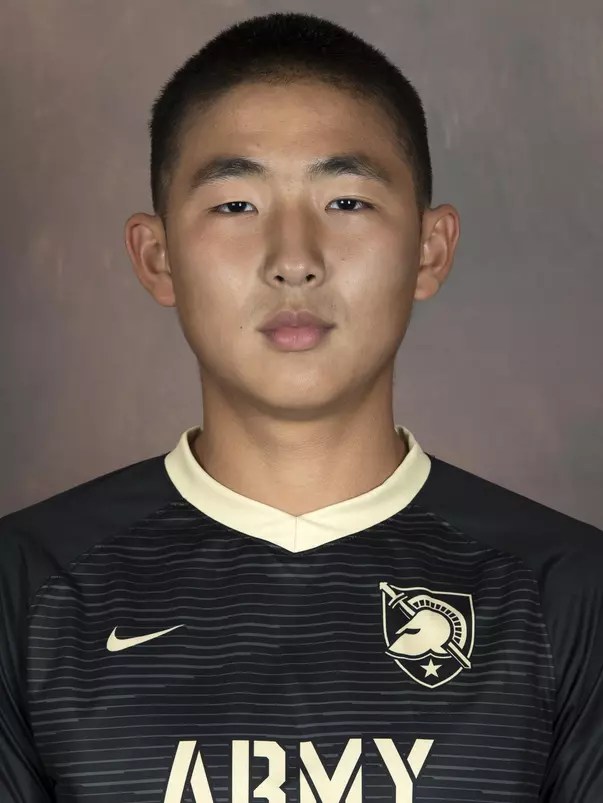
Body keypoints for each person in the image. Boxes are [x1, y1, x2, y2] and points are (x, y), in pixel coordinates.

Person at [0, 10, 601, 803]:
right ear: (157, 256)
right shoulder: (27, 585)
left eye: (346, 202)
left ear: (429, 247)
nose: (293, 260)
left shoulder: (565, 591)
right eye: (236, 206)